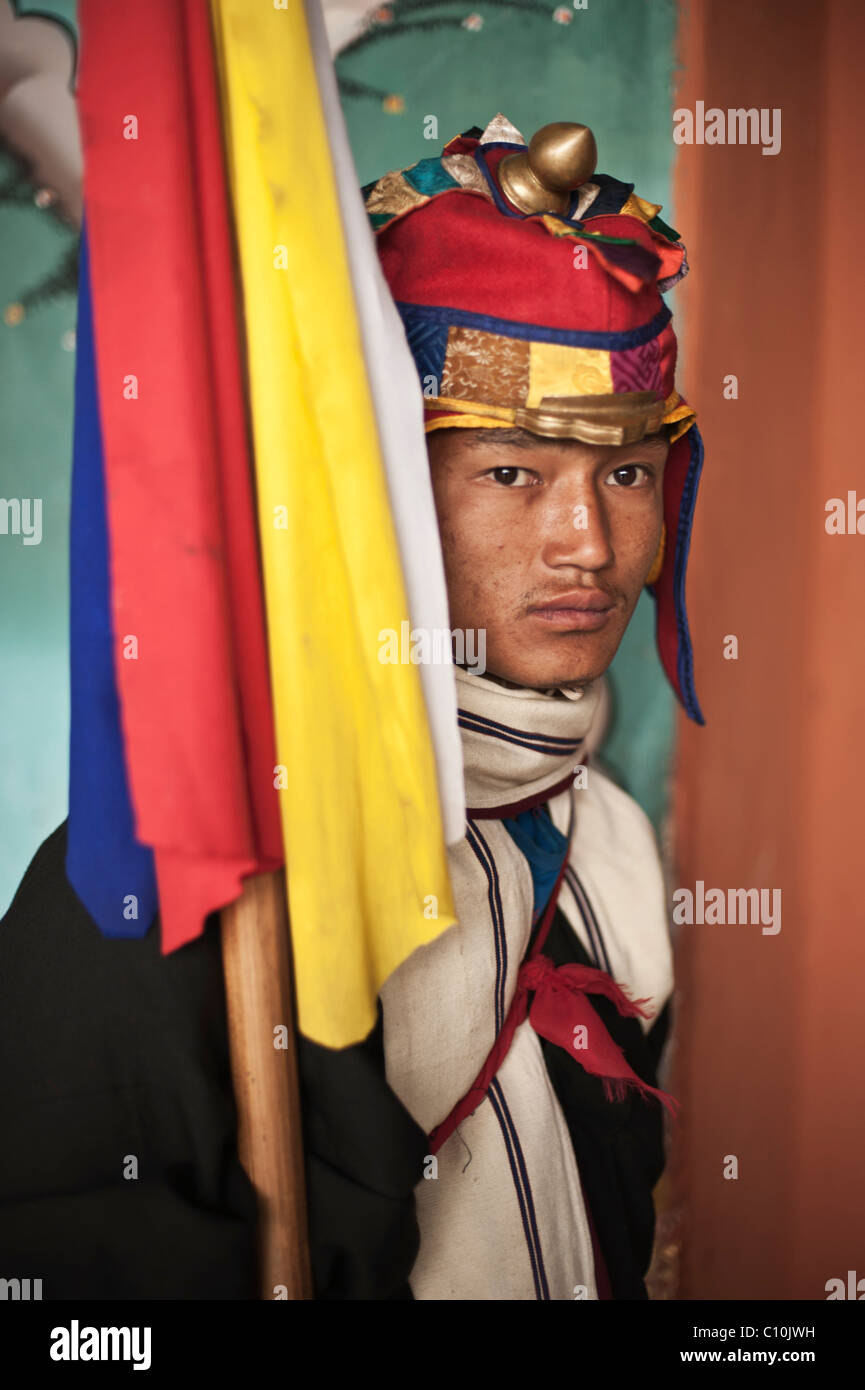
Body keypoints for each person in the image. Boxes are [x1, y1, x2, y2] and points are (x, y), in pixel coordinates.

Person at [0, 115, 704, 1301]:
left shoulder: (614, 850)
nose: (589, 543)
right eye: (510, 473)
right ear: (380, 496)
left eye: (624, 473)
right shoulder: (175, 882)